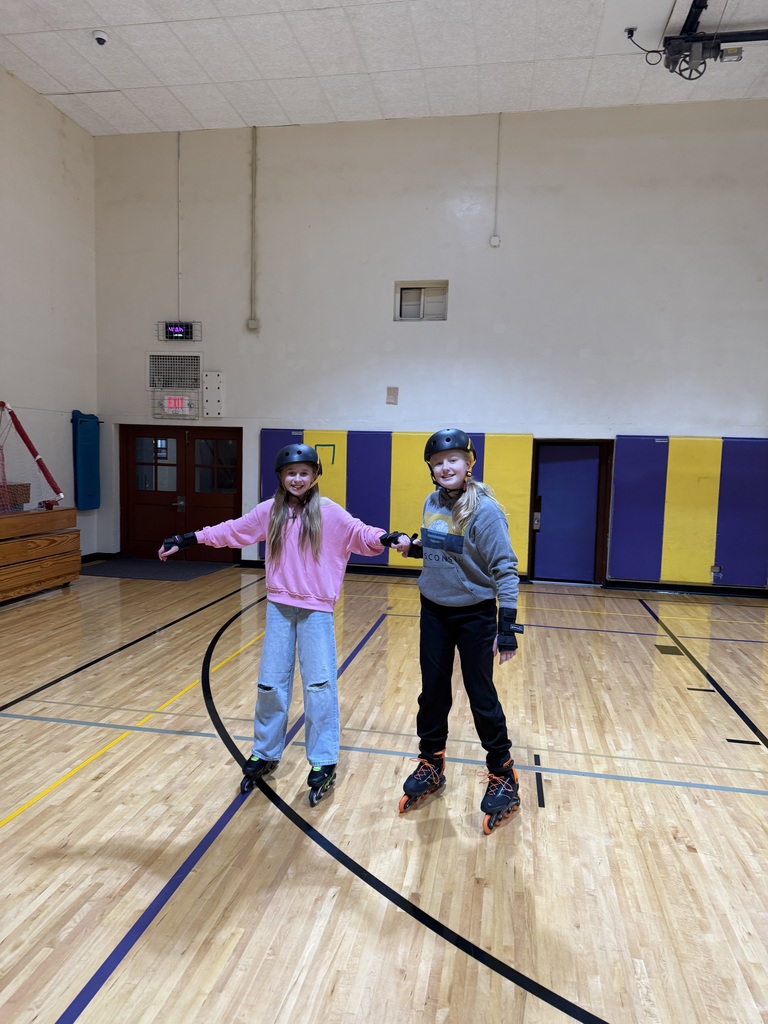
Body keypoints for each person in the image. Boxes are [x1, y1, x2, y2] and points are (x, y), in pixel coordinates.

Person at [159, 442, 408, 804]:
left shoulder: (329, 512)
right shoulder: (269, 512)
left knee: (320, 685)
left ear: (315, 476)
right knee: (270, 684)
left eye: (304, 473)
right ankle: (265, 751)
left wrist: (388, 537)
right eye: (291, 473)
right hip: (278, 607)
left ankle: (323, 760)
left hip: (317, 610)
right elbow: (232, 530)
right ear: (281, 476)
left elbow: (360, 533)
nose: (297, 478)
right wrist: (188, 538)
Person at [398, 428, 524, 834]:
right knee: (432, 690)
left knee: (480, 694)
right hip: (433, 609)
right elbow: (447, 546)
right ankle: (432, 763)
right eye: (438, 462)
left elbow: (504, 567)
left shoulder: (485, 511)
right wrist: (415, 547)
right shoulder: (431, 501)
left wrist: (506, 628)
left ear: (469, 464)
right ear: (431, 470)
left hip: (475, 615)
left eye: (453, 460)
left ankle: (502, 771)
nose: (445, 467)